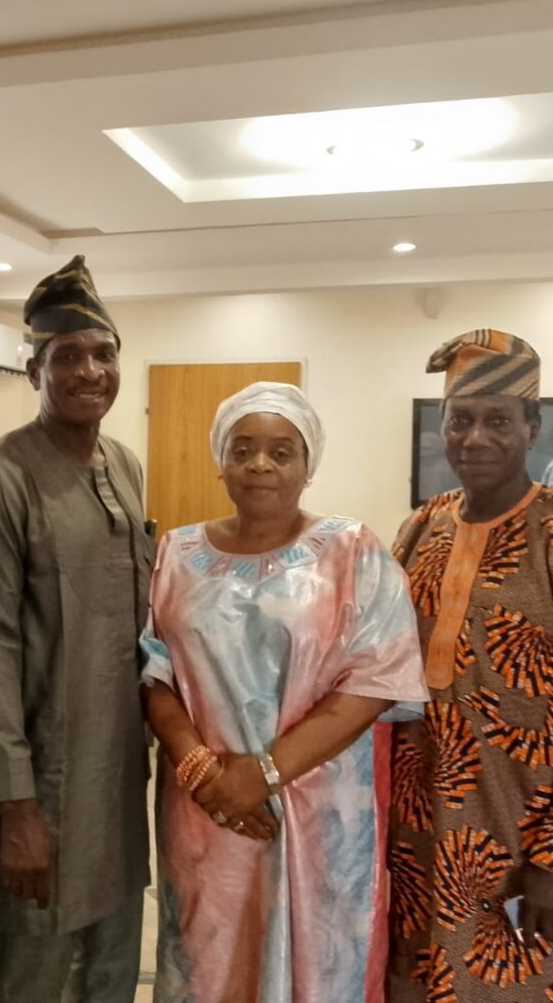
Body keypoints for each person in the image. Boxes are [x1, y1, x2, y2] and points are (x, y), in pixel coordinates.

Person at [141, 381, 428, 1003]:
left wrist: (263, 773)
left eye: (281, 452)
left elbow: (376, 681)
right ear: (221, 461)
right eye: (242, 449)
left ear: (308, 464)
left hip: (322, 814)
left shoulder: (353, 552)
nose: (260, 465)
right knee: (212, 962)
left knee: (321, 970)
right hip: (209, 809)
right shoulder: (177, 554)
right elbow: (154, 672)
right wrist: (203, 771)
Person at [0, 255, 151, 1003]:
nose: (89, 372)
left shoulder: (124, 466)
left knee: (110, 975)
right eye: (67, 356)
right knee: (33, 977)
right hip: (43, 790)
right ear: (34, 369)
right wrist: (17, 810)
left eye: (103, 354)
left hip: (118, 786)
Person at [389, 330, 553, 1002]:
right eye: (460, 420)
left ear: (532, 427)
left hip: (517, 828)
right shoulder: (421, 526)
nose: (475, 438)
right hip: (416, 820)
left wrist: (550, 860)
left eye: (498, 421)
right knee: (414, 979)